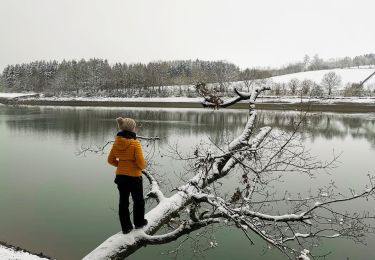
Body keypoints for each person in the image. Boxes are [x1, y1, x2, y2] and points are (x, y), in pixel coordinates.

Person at [107, 117, 148, 234]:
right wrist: (138, 167)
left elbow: (110, 160)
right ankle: (139, 223)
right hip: (134, 177)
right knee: (138, 201)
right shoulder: (135, 144)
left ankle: (126, 227)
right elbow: (140, 163)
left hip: (121, 177)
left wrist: (122, 165)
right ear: (132, 129)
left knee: (123, 202)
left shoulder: (116, 143)